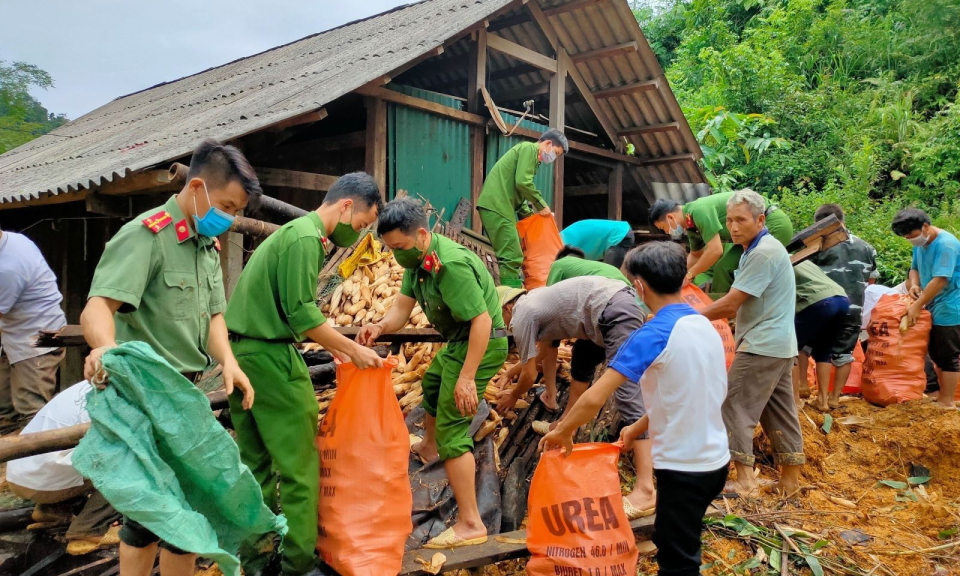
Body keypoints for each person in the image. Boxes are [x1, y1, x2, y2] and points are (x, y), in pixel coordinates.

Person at [80, 139, 259, 576]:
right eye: (227, 206)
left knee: (191, 512)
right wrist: (103, 347)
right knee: (148, 517)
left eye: (237, 211)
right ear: (196, 187)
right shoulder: (148, 235)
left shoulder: (204, 244)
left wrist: (229, 363)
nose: (230, 219)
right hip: (149, 396)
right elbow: (97, 308)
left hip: (190, 395)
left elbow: (214, 316)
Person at [226, 172, 384, 575]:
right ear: (347, 206)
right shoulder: (304, 239)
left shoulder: (291, 235)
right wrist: (352, 350)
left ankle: (257, 560)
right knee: (300, 467)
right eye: (363, 223)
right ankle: (298, 562)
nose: (359, 232)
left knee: (255, 465)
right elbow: (302, 314)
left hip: (241, 354)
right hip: (271, 358)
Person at [540, 241, 729, 576]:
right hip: (716, 461)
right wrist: (639, 425)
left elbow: (595, 397)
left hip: (684, 468)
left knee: (677, 561)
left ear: (639, 286)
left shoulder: (653, 334)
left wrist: (562, 430)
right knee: (683, 540)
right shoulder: (704, 324)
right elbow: (686, 393)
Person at [358, 197, 508, 548]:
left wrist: (468, 377)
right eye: (391, 248)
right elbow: (400, 311)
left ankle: (471, 523)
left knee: (455, 422)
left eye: (401, 246)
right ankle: (429, 448)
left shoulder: (450, 265)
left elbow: (482, 321)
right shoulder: (416, 264)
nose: (397, 254)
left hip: (481, 343)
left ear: (422, 234)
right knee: (432, 382)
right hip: (457, 342)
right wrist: (379, 327)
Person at [497, 276, 655, 518]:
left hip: (614, 312)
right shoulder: (536, 302)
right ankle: (564, 426)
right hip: (608, 311)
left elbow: (530, 376)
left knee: (626, 394)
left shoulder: (521, 315)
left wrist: (512, 396)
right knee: (582, 357)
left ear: (508, 307)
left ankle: (646, 488)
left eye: (502, 317)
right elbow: (541, 353)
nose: (505, 324)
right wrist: (513, 369)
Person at [699, 189, 804, 496]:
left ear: (760, 219)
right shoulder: (757, 249)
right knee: (781, 410)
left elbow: (731, 304)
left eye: (741, 220)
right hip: (780, 345)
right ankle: (790, 482)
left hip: (761, 345)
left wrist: (686, 316)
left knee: (733, 406)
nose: (733, 227)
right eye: (729, 220)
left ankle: (745, 481)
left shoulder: (762, 252)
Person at [7, 380, 121, 555]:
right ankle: (90, 529)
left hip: (21, 473)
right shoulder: (123, 395)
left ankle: (51, 510)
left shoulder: (96, 379)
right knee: (134, 467)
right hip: (45, 480)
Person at [649, 190, 794, 294]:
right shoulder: (691, 225)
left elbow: (715, 250)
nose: (667, 232)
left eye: (663, 228)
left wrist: (689, 275)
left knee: (725, 268)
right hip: (749, 235)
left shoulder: (698, 210)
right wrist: (677, 276)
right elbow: (696, 255)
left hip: (773, 224)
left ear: (670, 217)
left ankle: (723, 313)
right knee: (723, 268)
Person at [476, 129, 568, 288]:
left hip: (498, 206)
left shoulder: (531, 156)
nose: (554, 158)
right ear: (548, 143)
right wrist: (541, 205)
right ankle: (510, 301)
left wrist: (531, 217)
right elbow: (523, 182)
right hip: (497, 206)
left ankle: (510, 294)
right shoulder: (529, 149)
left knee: (511, 253)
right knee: (512, 256)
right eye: (556, 153)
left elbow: (519, 195)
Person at [891, 208, 960, 409]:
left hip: (950, 306)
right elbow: (914, 268)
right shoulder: (920, 244)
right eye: (905, 237)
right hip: (933, 304)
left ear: (925, 227)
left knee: (948, 355)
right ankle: (943, 398)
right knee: (937, 353)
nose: (909, 239)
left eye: (911, 235)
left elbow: (941, 280)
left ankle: (947, 401)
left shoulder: (946, 244)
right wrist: (914, 285)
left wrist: (916, 306)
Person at [0, 228, 67, 425]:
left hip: (35, 339)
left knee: (31, 411)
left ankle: (37, 455)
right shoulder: (14, 240)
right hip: (12, 334)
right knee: (4, 411)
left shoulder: (9, 268)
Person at [792, 261, 856, 411]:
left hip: (818, 300)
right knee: (824, 351)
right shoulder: (804, 259)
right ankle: (823, 400)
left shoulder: (772, 258)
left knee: (791, 349)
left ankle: (793, 401)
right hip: (841, 298)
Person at [559, 219, 634, 268]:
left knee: (608, 275)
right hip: (618, 234)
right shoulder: (562, 238)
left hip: (618, 235)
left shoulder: (561, 242)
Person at [547, 245, 630, 287]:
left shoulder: (558, 264)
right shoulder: (589, 267)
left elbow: (549, 295)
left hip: (606, 286)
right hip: (625, 285)